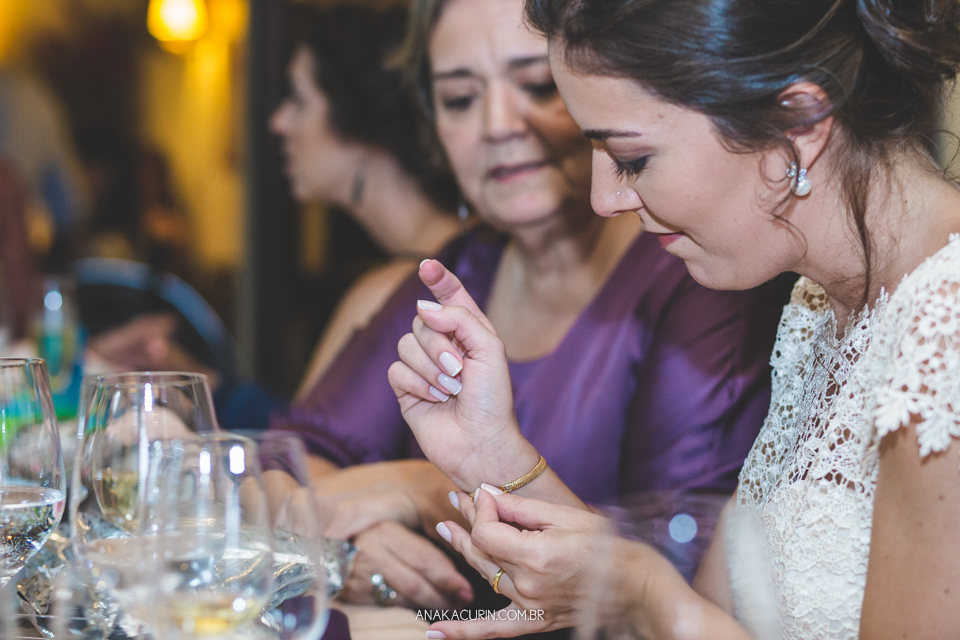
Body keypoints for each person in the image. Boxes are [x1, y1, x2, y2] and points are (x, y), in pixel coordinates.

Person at [389, 0, 960, 637]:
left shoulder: (947, 335)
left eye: (632, 158)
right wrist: (495, 456)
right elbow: (721, 617)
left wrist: (639, 590)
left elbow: (671, 607)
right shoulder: (819, 307)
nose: (605, 198)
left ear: (796, 123)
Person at [271, 0, 789, 616]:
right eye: (460, 98)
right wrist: (357, 539)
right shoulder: (457, 271)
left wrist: (424, 489)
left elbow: (678, 567)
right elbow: (288, 465)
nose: (497, 123)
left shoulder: (696, 269)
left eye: (539, 85)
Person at [268, 3, 461, 398]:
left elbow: (302, 450)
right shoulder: (450, 254)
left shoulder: (393, 294)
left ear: (355, 123)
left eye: (298, 100)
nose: (279, 122)